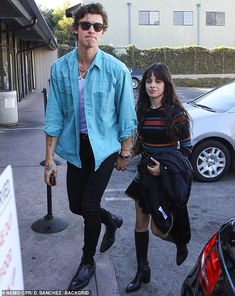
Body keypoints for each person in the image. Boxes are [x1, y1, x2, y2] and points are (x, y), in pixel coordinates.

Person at [44, 2, 136, 291]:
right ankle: (110, 219)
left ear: (103, 32)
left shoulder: (116, 69)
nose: (91, 31)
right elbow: (54, 116)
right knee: (75, 205)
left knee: (88, 205)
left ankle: (87, 261)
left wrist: (125, 151)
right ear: (76, 29)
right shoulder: (60, 68)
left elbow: (126, 114)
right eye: (86, 25)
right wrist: (48, 160)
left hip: (105, 149)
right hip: (76, 148)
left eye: (98, 26)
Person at [125, 62, 193, 293]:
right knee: (139, 224)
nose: (152, 85)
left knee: (157, 229)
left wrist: (163, 169)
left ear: (166, 84)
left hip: (164, 177)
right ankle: (142, 269)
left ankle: (180, 241)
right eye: (148, 81)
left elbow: (186, 149)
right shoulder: (142, 110)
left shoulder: (176, 114)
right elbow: (142, 142)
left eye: (158, 81)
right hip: (144, 173)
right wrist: (129, 153)